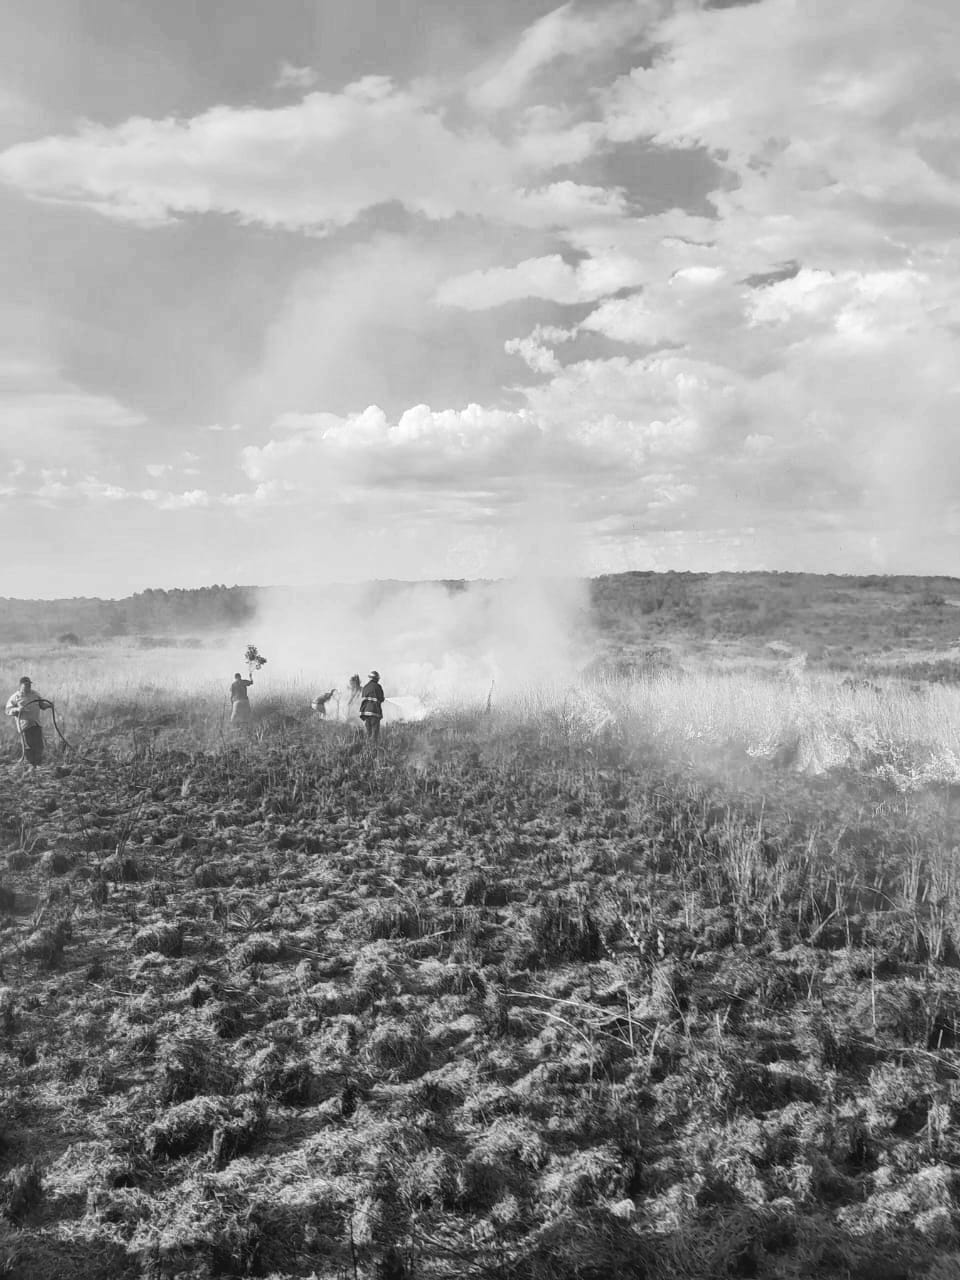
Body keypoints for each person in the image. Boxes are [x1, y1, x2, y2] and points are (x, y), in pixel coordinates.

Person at [5, 676, 53, 766]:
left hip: (36, 724)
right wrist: (18, 709)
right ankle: (30, 766)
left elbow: (42, 705)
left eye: (29, 684)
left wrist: (49, 705)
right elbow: (8, 710)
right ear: (20, 685)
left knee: (39, 745)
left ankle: (37, 765)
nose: (28, 686)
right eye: (26, 685)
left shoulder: (35, 694)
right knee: (28, 746)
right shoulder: (15, 697)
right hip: (25, 726)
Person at [359, 670, 385, 740]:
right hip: (375, 713)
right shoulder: (378, 687)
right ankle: (373, 748)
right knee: (374, 733)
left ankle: (368, 747)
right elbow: (381, 699)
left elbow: (363, 700)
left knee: (368, 732)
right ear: (376, 678)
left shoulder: (365, 687)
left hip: (366, 713)